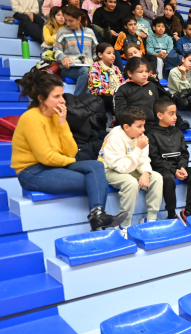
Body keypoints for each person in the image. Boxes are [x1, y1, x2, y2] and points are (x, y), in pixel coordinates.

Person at [11, 71, 126, 231]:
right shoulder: (31, 118)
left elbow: (71, 151)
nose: (63, 100)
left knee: (96, 166)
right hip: (32, 172)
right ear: (41, 99)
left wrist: (63, 123)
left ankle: (97, 214)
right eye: (57, 96)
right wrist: (70, 161)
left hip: (55, 166)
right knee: (95, 182)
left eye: (62, 95)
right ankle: (97, 219)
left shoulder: (55, 116)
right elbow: (46, 157)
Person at [99, 106, 163, 237]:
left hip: (130, 167)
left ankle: (150, 220)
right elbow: (122, 168)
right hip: (109, 169)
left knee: (156, 177)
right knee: (131, 183)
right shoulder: (114, 138)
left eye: (143, 126)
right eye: (139, 126)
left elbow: (144, 159)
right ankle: (124, 225)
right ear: (127, 127)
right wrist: (138, 149)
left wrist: (145, 172)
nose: (143, 130)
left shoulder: (141, 136)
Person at [147, 98, 191, 223]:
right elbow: (155, 159)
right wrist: (173, 170)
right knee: (168, 179)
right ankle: (171, 214)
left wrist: (182, 167)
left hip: (178, 166)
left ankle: (187, 212)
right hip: (162, 168)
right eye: (171, 114)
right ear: (160, 115)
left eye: (175, 113)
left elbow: (184, 153)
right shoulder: (152, 134)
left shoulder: (178, 132)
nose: (175, 117)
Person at [54, 6, 97, 96]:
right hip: (69, 68)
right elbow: (56, 49)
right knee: (85, 72)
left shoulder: (89, 32)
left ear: (79, 19)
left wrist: (97, 63)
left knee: (89, 71)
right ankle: (77, 100)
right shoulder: (62, 32)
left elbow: (95, 51)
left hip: (88, 66)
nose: (68, 23)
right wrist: (63, 58)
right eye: (66, 20)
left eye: (71, 20)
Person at [114, 57, 161, 129]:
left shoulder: (152, 86)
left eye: (146, 71)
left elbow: (157, 108)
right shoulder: (122, 89)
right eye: (140, 72)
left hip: (152, 126)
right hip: (131, 127)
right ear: (129, 73)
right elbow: (120, 114)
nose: (145, 74)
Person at [87, 43, 124, 112]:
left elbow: (121, 85)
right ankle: (118, 121)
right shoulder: (95, 67)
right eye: (109, 53)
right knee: (115, 99)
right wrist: (113, 92)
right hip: (98, 96)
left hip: (114, 95)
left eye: (113, 53)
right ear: (100, 55)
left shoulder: (116, 69)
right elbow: (96, 89)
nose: (112, 56)